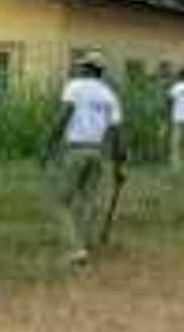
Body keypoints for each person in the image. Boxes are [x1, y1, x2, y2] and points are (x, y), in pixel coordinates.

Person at [43, 52, 126, 265]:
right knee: (87, 201)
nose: (79, 69)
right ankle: (83, 243)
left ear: (89, 69)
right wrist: (119, 164)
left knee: (61, 201)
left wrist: (49, 144)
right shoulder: (110, 95)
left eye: (82, 67)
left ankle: (75, 249)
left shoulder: (75, 86)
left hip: (75, 150)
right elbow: (117, 133)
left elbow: (63, 116)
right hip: (98, 153)